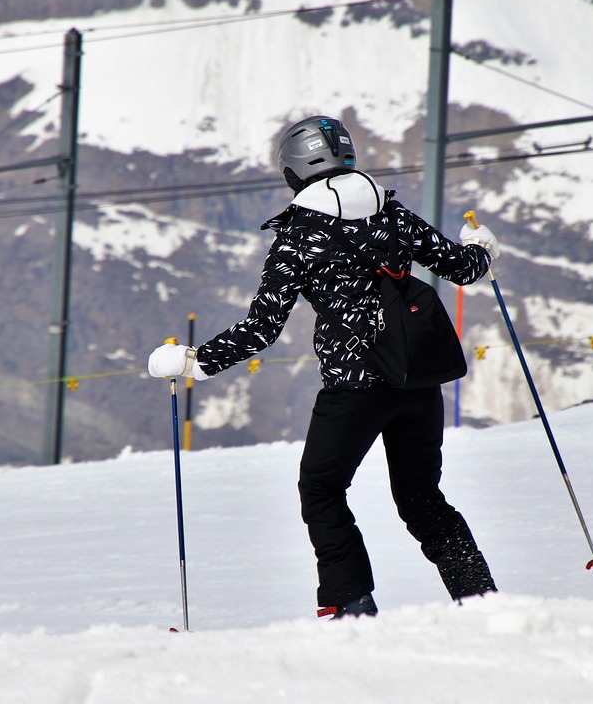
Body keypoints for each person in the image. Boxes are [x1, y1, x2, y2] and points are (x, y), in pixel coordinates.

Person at [147, 114, 500, 619]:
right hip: (418, 381)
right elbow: (463, 268)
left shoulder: (299, 234)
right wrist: (481, 247)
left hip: (354, 390)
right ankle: (479, 596)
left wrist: (195, 362)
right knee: (421, 496)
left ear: (295, 169)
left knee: (322, 489)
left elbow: (262, 327)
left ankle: (349, 602)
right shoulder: (391, 213)